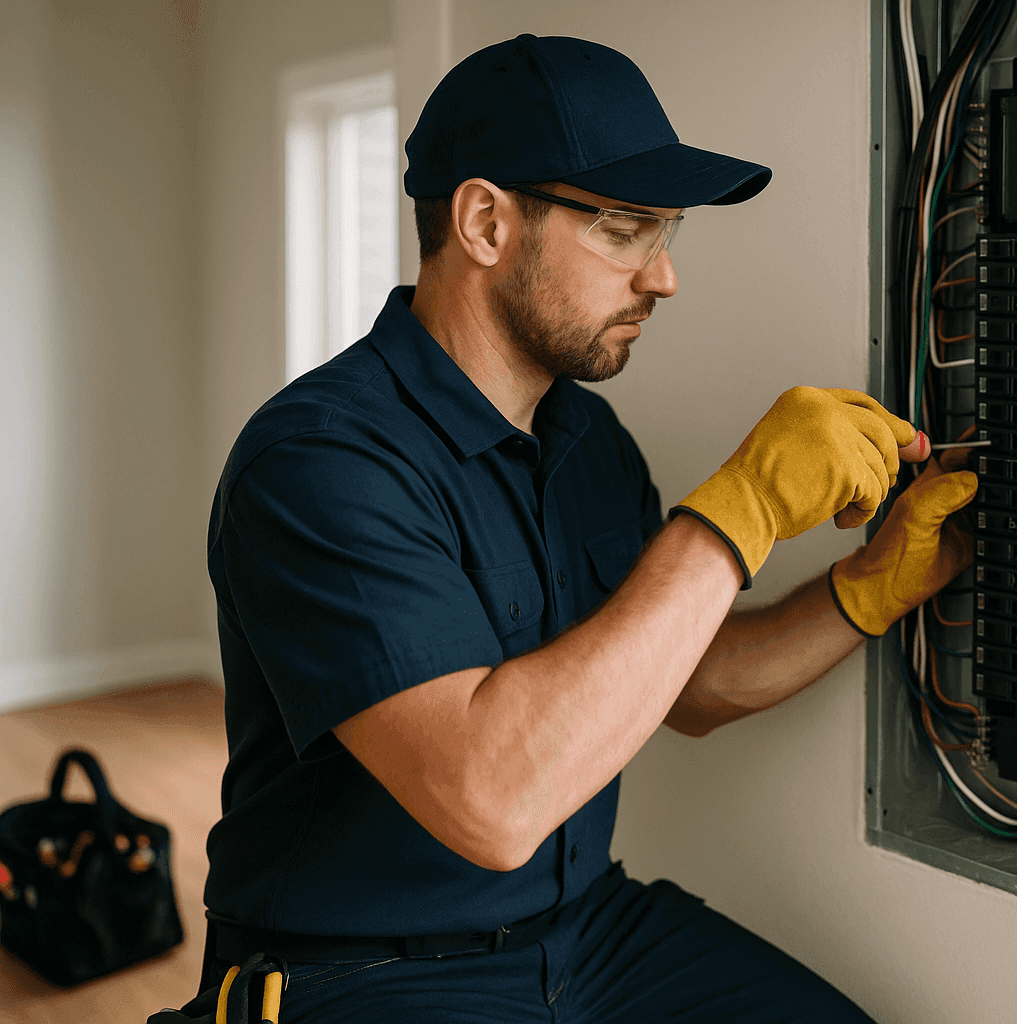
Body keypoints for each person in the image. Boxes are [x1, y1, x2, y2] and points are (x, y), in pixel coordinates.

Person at [200, 34, 977, 1023]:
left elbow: (684, 681)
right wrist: (736, 510)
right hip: (360, 971)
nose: (663, 279)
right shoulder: (318, 463)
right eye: (624, 230)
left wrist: (867, 591)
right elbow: (492, 801)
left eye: (668, 233)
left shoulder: (585, 434)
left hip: (586, 934)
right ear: (485, 221)